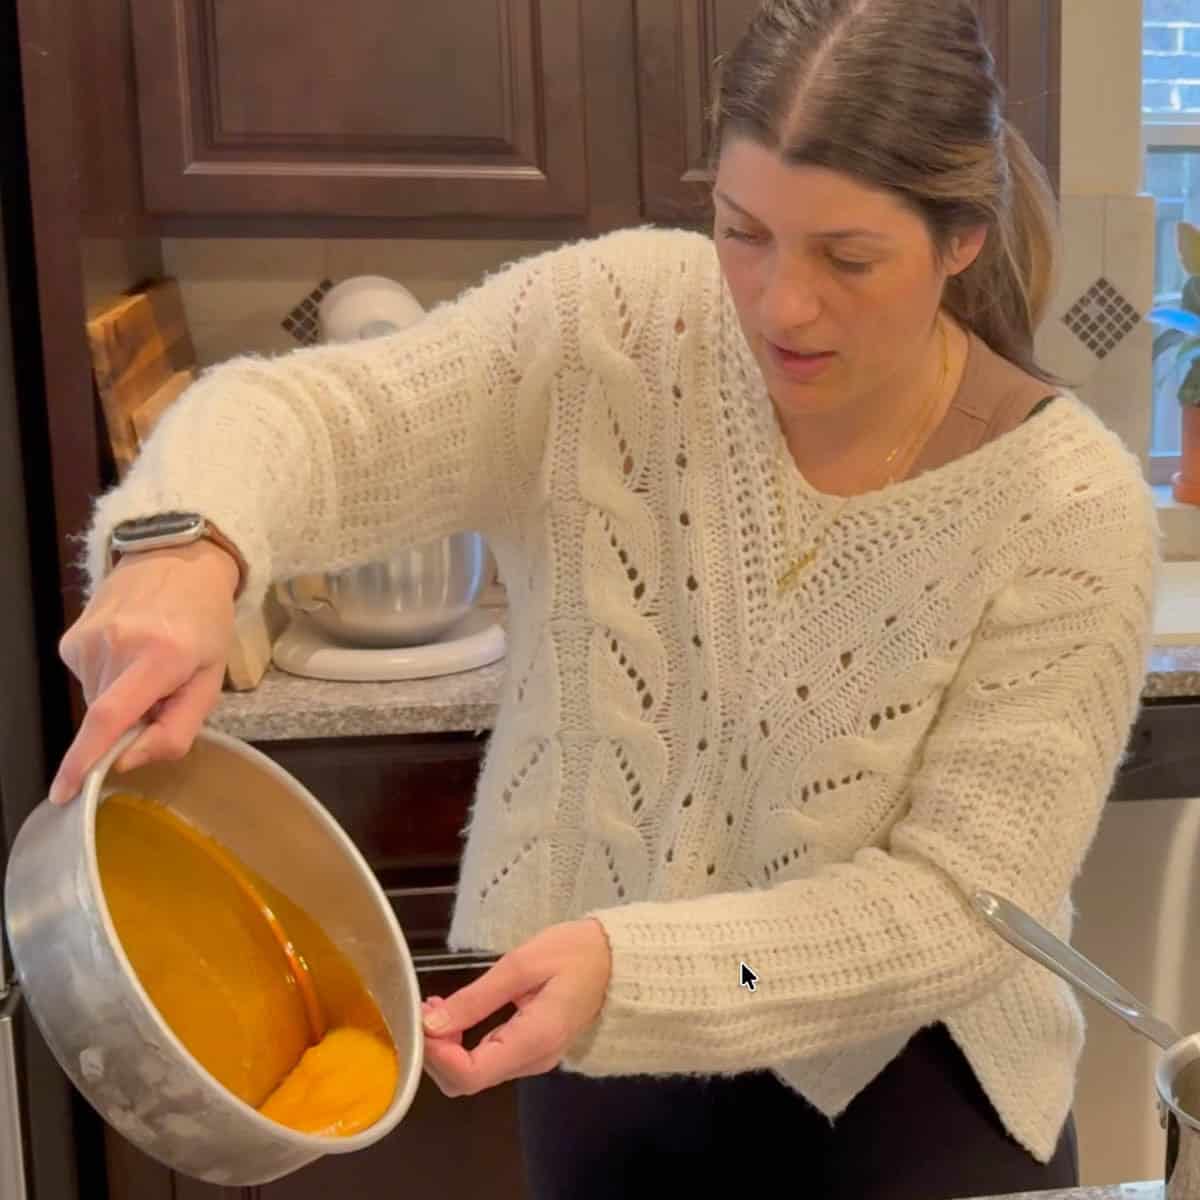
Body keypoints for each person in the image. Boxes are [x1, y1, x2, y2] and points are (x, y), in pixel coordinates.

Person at [50, 0, 1157, 1195]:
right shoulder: (615, 328)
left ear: (962, 242)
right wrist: (185, 544)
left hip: (914, 1094)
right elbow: (317, 419)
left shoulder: (1069, 505)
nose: (780, 303)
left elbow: (956, 903)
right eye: (743, 232)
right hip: (601, 1060)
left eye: (847, 257)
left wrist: (631, 971)